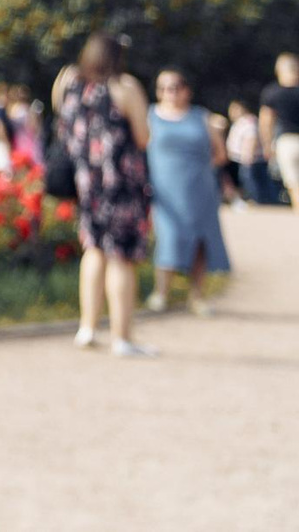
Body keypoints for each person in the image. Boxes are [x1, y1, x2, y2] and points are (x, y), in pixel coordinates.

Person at [53, 33, 155, 357]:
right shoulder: (123, 87)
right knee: (121, 257)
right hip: (121, 183)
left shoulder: (68, 83)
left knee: (94, 250)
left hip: (86, 183)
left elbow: (62, 122)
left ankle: (87, 327)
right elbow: (142, 137)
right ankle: (122, 336)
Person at [145, 69, 230, 314]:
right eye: (163, 88)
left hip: (199, 189)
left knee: (200, 240)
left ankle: (197, 296)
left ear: (186, 90)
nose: (168, 93)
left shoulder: (200, 117)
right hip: (165, 189)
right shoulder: (150, 116)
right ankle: (161, 293)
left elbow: (220, 153)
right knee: (168, 236)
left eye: (174, 87)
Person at [262, 53, 299, 207]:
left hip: (287, 142)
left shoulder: (272, 92)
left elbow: (266, 122)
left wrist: (267, 144)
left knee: (295, 185)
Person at [227, 103, 269, 207]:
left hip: (248, 159)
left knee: (251, 183)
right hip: (240, 158)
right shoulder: (241, 122)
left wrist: (248, 156)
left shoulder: (248, 122)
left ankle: (256, 202)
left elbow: (251, 137)